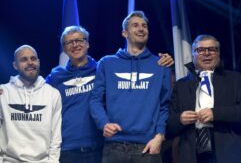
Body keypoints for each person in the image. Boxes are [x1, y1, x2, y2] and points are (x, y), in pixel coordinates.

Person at [46, 24, 173, 163]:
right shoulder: (56, 75)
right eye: (69, 42)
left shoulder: (103, 68)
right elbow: (40, 97)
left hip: (98, 146)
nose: (75, 45)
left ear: (87, 43)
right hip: (67, 148)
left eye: (80, 40)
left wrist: (165, 60)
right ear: (64, 48)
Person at [89, 11, 172, 163]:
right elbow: (95, 99)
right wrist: (104, 123)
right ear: (124, 32)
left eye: (144, 26)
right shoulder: (107, 63)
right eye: (135, 25)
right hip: (114, 146)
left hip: (148, 146)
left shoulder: (161, 64)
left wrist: (159, 137)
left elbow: (165, 106)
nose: (141, 29)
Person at [166, 34, 241, 163]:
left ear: (218, 53)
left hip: (230, 153)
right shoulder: (181, 85)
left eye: (212, 49)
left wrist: (215, 113)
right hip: (192, 155)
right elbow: (168, 124)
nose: (207, 53)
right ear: (193, 54)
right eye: (200, 50)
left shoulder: (237, 80)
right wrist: (180, 119)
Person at [0, 45, 62, 163]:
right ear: (15, 65)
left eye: (33, 58)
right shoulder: (3, 93)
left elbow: (56, 137)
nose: (30, 62)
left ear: (38, 62)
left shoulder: (53, 94)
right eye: (24, 59)